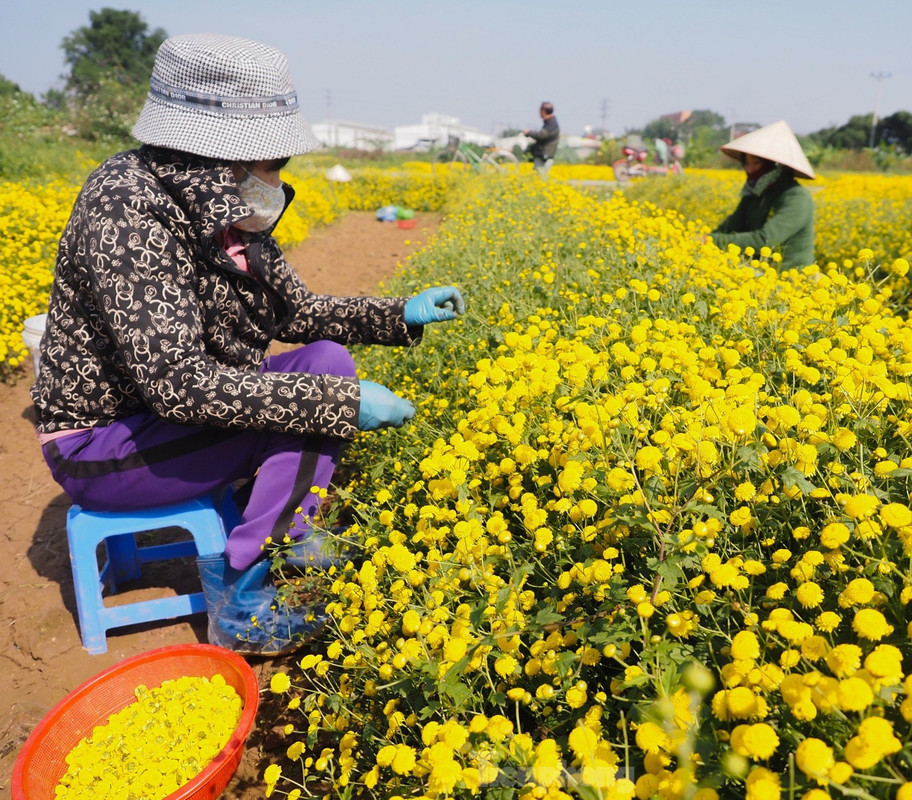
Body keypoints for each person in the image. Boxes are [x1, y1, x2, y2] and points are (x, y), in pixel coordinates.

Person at [31, 33, 466, 656]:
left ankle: (283, 532)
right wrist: (338, 406)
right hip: (106, 442)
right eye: (272, 164)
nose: (277, 180)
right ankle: (244, 596)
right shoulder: (127, 208)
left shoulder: (228, 210)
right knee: (317, 404)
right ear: (224, 156)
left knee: (327, 363)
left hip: (170, 423)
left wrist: (401, 313)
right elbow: (178, 386)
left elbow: (299, 313)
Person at [708, 120, 816, 269]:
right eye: (746, 163)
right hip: (755, 270)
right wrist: (704, 242)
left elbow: (765, 240)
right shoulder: (754, 194)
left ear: (777, 166)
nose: (750, 170)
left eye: (756, 163)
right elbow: (730, 226)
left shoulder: (797, 198)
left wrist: (712, 241)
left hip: (789, 279)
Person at [523, 101, 559, 177]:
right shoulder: (550, 122)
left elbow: (542, 135)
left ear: (543, 111)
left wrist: (529, 133)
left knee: (540, 178)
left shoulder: (551, 124)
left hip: (544, 156)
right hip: (543, 155)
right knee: (537, 178)